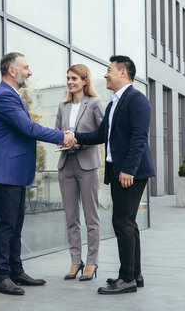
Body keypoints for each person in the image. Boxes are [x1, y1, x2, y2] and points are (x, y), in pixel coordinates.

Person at [0, 52, 76, 296]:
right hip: (4, 173)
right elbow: (28, 128)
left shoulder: (11, 95)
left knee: (15, 226)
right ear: (12, 71)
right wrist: (62, 136)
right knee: (6, 227)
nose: (29, 72)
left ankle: (15, 270)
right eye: (26, 67)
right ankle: (1, 276)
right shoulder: (4, 96)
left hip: (13, 173)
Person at [74, 55, 155, 295]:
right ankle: (134, 274)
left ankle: (127, 278)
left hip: (131, 172)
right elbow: (100, 135)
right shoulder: (113, 103)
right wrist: (73, 136)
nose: (105, 74)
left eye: (109, 70)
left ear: (122, 72)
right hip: (120, 171)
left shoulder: (137, 100)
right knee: (128, 223)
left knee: (122, 222)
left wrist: (128, 169)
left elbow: (139, 137)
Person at [55, 64, 104, 281]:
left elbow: (102, 134)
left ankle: (92, 262)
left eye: (74, 78)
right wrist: (62, 142)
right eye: (68, 78)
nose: (70, 82)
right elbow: (57, 133)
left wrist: (80, 143)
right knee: (71, 217)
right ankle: (76, 260)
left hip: (87, 165)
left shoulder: (94, 104)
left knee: (91, 217)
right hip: (66, 165)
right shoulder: (62, 106)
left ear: (85, 80)